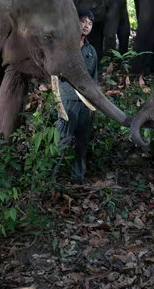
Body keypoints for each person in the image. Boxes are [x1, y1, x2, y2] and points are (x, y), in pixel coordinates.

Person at [57, 10, 99, 183]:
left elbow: (94, 79)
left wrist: (95, 105)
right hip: (68, 100)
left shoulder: (91, 51)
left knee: (82, 143)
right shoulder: (65, 46)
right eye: (84, 21)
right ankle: (54, 179)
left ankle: (77, 180)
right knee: (63, 140)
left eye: (90, 23)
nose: (87, 25)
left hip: (87, 103)